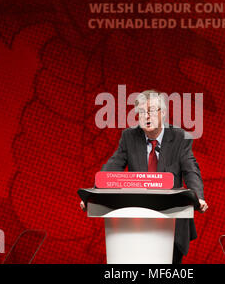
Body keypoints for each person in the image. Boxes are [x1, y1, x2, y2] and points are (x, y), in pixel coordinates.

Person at [80, 89, 208, 264]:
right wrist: (93, 195)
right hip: (137, 224)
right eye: (141, 112)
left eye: (151, 111)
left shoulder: (179, 137)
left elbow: (190, 168)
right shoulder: (129, 136)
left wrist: (198, 197)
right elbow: (112, 167)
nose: (146, 116)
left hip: (171, 225)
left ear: (162, 114)